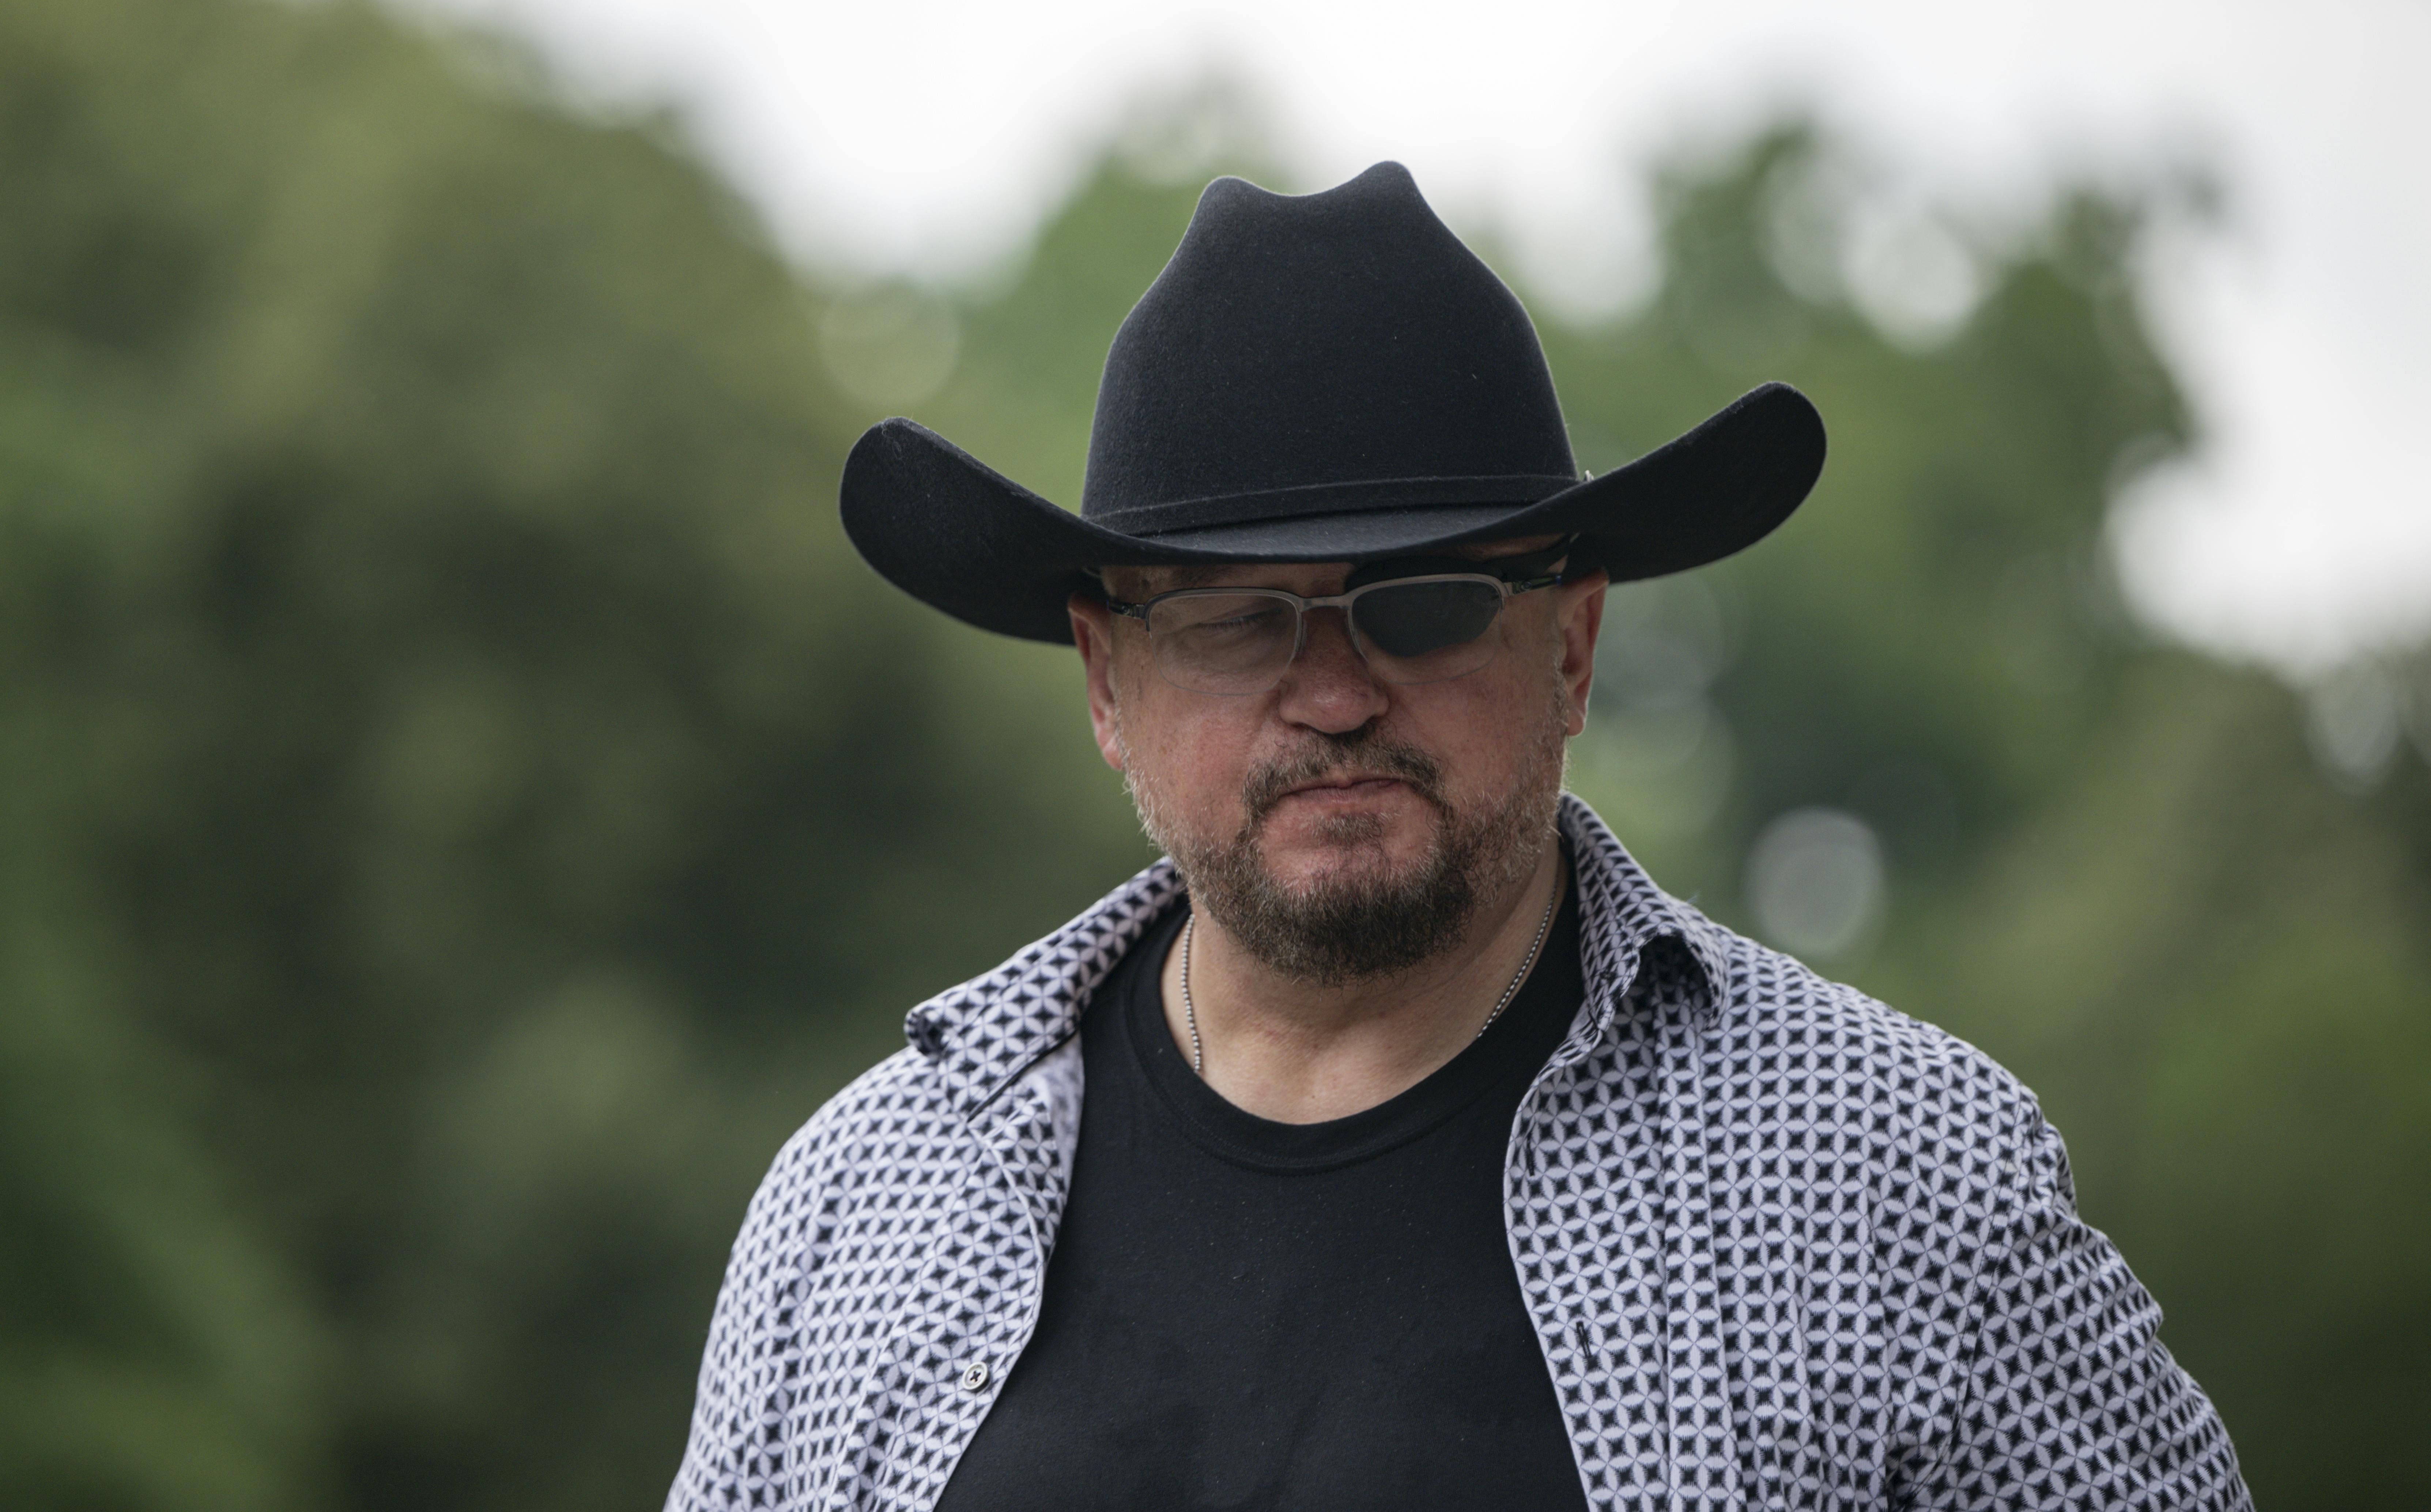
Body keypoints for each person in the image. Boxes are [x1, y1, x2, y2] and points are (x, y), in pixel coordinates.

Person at [665, 163, 2247, 1511]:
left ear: (1570, 646)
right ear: (1107, 677)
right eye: (1234, 622)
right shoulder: (861, 1202)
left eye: (1423, 603)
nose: (1336, 693)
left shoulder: (1899, 1179)